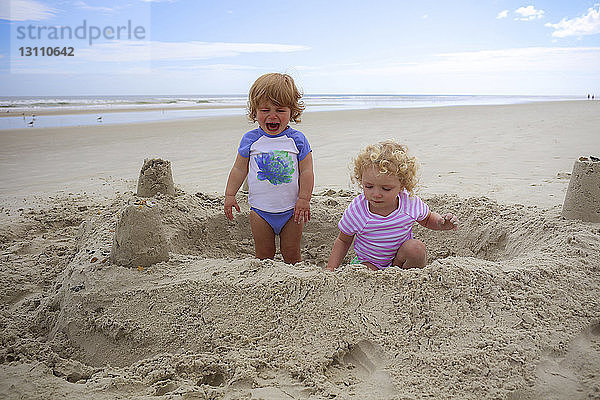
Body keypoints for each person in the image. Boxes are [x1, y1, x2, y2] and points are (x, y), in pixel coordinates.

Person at [326, 140, 458, 271]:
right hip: (369, 263)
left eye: (386, 188)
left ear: (402, 185)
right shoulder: (357, 211)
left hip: (399, 261)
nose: (376, 194)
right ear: (361, 180)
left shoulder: (409, 203)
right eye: (369, 186)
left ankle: (409, 280)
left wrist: (440, 223)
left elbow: (427, 219)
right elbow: (343, 240)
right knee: (365, 270)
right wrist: (331, 269)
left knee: (416, 249)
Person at [224, 73, 314, 264]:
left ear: (292, 111)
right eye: (265, 110)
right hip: (260, 211)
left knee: (292, 254)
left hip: (292, 211)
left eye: (280, 110)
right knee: (264, 255)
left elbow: (307, 171)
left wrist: (304, 199)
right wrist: (230, 195)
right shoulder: (251, 140)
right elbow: (239, 169)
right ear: (254, 111)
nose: (272, 116)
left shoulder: (297, 140)